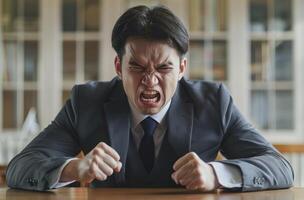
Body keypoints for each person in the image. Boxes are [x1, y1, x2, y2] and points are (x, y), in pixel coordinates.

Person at [6, 5, 293, 192]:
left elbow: (279, 167)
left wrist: (216, 174)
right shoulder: (87, 101)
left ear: (181, 68)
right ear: (118, 67)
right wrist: (75, 167)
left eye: (164, 68)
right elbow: (20, 167)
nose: (150, 80)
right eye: (137, 67)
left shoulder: (214, 102)